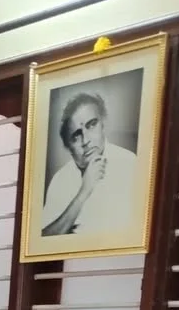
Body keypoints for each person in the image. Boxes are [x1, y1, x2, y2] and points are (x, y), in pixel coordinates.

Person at [41, 91, 137, 237]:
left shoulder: (129, 163)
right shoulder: (60, 179)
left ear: (103, 124)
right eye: (76, 136)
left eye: (91, 125)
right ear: (68, 146)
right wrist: (85, 190)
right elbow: (44, 239)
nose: (86, 141)